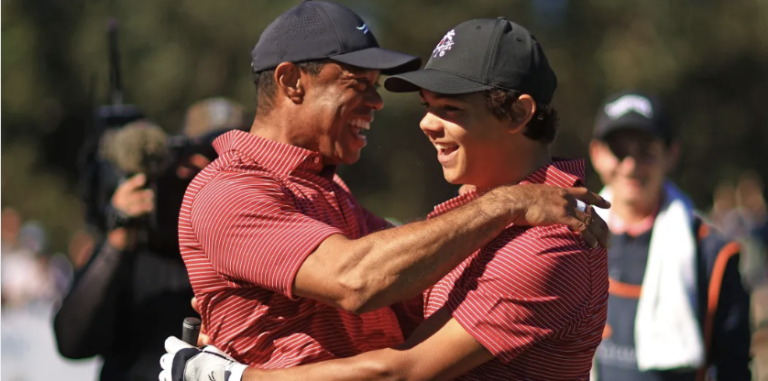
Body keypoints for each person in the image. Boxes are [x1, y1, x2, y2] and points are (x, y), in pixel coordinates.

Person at [160, 16, 609, 381]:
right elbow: (359, 279)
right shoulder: (232, 190)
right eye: (359, 82)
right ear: (292, 81)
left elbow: (397, 356)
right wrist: (506, 203)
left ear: (518, 113)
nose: (379, 103)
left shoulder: (548, 234)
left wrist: (233, 378)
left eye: (449, 108)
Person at [586, 90, 751, 380]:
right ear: (597, 154)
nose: (630, 166)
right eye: (619, 151)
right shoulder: (572, 240)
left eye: (645, 151)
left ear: (671, 154)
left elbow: (733, 367)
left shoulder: (712, 254)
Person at [53, 117, 233, 381]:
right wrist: (119, 235)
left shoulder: (239, 255)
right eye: (187, 172)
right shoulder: (134, 251)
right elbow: (72, 342)